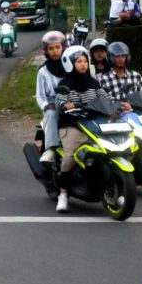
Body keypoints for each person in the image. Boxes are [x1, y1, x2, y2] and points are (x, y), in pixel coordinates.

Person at [54, 46, 112, 213]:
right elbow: (59, 100)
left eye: (85, 61)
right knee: (70, 156)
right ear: (70, 64)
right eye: (78, 61)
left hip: (94, 125)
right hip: (73, 125)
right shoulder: (65, 84)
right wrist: (66, 104)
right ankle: (63, 194)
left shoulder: (93, 83)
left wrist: (117, 105)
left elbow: (105, 97)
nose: (82, 64)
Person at [99, 41, 142, 110]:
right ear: (111, 58)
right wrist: (121, 104)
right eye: (117, 56)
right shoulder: (104, 78)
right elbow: (104, 99)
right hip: (115, 116)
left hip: (135, 113)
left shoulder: (135, 76)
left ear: (127, 57)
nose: (121, 59)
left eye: (123, 56)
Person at [35, 32, 67, 163]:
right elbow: (40, 95)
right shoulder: (43, 71)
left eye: (57, 47)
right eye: (51, 48)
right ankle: (51, 149)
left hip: (70, 102)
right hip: (52, 104)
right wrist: (46, 105)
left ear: (63, 48)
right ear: (46, 51)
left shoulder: (69, 66)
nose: (54, 51)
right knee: (52, 115)